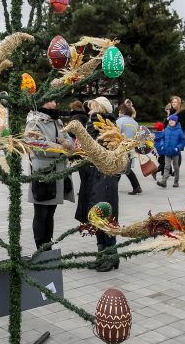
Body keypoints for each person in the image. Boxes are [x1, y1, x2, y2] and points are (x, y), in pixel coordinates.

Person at [74, 97, 120, 272]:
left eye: (92, 107)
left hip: (104, 177)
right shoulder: (92, 123)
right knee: (96, 216)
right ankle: (102, 255)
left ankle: (110, 256)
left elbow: (96, 147)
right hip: (94, 176)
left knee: (106, 216)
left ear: (100, 108)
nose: (89, 110)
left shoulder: (105, 125)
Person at [26, 102, 75, 249]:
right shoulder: (34, 122)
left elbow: (70, 140)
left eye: (55, 100)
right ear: (43, 102)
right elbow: (36, 145)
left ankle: (48, 247)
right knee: (41, 213)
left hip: (59, 172)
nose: (54, 103)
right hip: (44, 173)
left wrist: (66, 144)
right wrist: (61, 147)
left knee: (50, 213)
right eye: (51, 100)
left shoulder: (57, 121)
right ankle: (40, 248)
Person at [115, 101, 142, 195]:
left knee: (122, 169)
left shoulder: (119, 121)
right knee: (123, 169)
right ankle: (136, 187)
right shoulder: (135, 122)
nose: (118, 113)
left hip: (121, 148)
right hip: (131, 149)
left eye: (119, 111)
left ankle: (136, 187)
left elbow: (116, 135)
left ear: (122, 112)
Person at [155, 114, 185, 188]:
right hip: (167, 152)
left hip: (175, 152)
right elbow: (162, 138)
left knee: (176, 167)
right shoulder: (166, 129)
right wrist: (162, 145)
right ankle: (164, 181)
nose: (171, 122)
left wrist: (178, 148)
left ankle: (176, 181)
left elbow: (183, 141)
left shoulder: (179, 130)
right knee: (166, 167)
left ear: (176, 121)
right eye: (170, 120)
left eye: (173, 120)